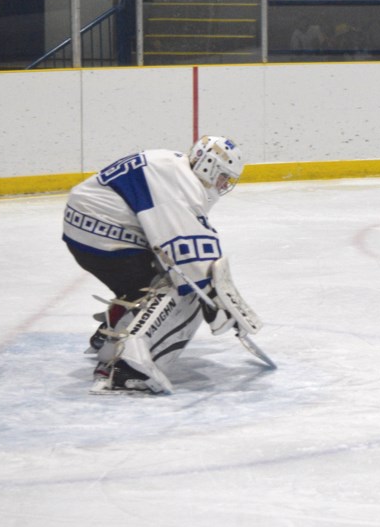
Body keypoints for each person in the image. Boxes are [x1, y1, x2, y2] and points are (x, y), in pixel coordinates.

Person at [62, 136, 250, 394]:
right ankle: (125, 367)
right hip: (101, 233)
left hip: (85, 228)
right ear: (208, 166)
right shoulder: (180, 180)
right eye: (223, 177)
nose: (223, 185)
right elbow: (188, 256)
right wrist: (213, 300)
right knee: (179, 288)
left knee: (158, 277)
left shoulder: (172, 166)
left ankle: (111, 331)